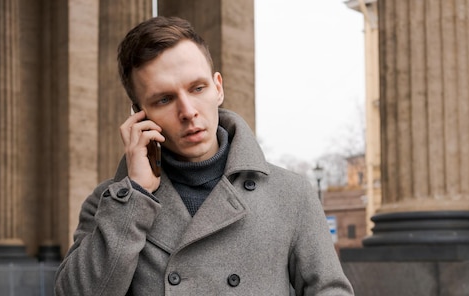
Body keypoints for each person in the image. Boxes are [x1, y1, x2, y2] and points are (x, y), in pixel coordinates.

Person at [54, 16, 354, 295]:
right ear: (139, 115)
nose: (187, 111)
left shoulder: (290, 194)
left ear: (218, 88)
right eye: (165, 99)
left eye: (197, 88)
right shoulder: (112, 203)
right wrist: (135, 195)